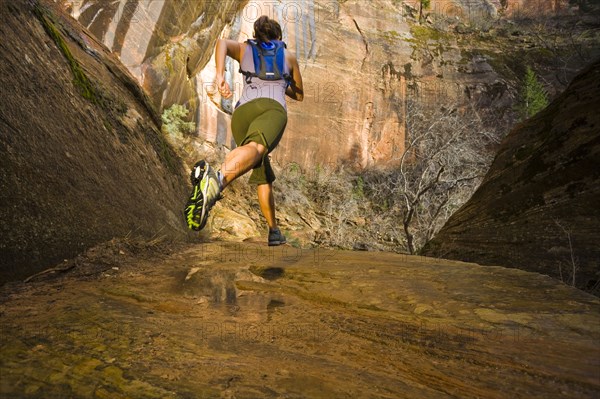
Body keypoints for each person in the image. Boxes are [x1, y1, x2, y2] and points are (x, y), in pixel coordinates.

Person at [185, 15, 304, 246]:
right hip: (272, 109)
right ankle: (216, 181)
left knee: (261, 171)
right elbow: (299, 94)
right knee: (257, 148)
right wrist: (282, 81)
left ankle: (273, 231)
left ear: (256, 34)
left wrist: (220, 75)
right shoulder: (288, 57)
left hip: (242, 114)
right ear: (279, 37)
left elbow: (221, 43)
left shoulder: (245, 49)